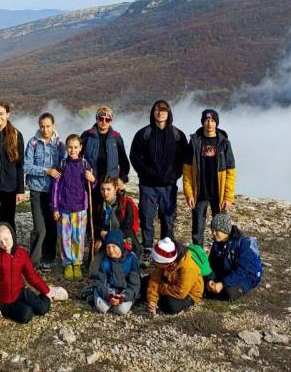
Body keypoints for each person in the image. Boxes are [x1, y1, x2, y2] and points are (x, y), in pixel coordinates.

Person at [130, 100, 188, 268]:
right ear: (153, 112)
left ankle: (166, 251)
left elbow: (184, 158)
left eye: (164, 110)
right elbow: (134, 156)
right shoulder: (144, 134)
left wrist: (175, 175)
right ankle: (147, 250)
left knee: (167, 218)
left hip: (168, 186)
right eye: (157, 110)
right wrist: (144, 172)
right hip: (148, 185)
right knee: (146, 217)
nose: (160, 113)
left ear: (168, 113)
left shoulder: (177, 135)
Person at [183, 108, 236, 247]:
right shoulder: (195, 142)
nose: (209, 123)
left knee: (221, 229)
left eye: (212, 120)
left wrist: (228, 197)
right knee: (197, 229)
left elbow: (230, 172)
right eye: (207, 120)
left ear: (216, 123)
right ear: (202, 122)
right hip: (199, 194)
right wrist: (189, 194)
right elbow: (187, 170)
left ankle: (220, 254)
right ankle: (198, 256)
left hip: (218, 195)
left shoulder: (224, 143)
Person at [0, 222, 52, 323]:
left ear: (12, 235)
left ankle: (43, 296)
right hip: (3, 300)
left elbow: (31, 275)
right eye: (0, 242)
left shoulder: (21, 254)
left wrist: (46, 290)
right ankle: (22, 306)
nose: (4, 244)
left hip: (20, 292)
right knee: (26, 315)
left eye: (6, 239)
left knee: (43, 308)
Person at [23, 112, 66, 270]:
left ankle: (49, 257)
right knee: (39, 227)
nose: (45, 129)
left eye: (48, 126)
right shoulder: (33, 143)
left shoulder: (60, 145)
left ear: (53, 125)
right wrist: (46, 171)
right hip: (36, 189)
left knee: (52, 224)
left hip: (53, 191)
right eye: (42, 126)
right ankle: (34, 260)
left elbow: (64, 165)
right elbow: (27, 166)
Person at [51, 134, 95, 280]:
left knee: (78, 237)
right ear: (66, 148)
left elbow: (91, 187)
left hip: (80, 208)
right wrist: (55, 207)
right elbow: (56, 187)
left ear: (81, 148)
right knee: (65, 237)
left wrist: (93, 180)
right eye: (70, 147)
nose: (73, 150)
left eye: (76, 147)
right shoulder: (62, 165)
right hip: (64, 208)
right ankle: (68, 263)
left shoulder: (85, 165)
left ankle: (77, 262)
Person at [205, 213, 262, 301]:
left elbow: (242, 270)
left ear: (225, 230)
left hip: (247, 275)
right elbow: (212, 265)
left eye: (216, 231)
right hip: (229, 271)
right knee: (205, 283)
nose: (213, 233)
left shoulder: (244, 244)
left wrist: (222, 284)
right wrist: (211, 279)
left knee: (229, 292)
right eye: (212, 230)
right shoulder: (217, 243)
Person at [0, 101, 25, 234]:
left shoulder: (16, 135)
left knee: (8, 221)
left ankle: (10, 246)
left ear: (8, 114)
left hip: (10, 186)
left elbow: (20, 164)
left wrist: (20, 190)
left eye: (1, 114)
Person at [145, 236, 204, 316]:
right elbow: (154, 279)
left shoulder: (188, 267)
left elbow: (181, 292)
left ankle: (159, 299)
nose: (154, 264)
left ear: (168, 263)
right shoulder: (162, 261)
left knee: (171, 306)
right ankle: (156, 299)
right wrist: (152, 300)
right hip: (169, 283)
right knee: (145, 282)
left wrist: (159, 288)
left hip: (189, 293)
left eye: (157, 263)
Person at [90, 229, 140, 315]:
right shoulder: (105, 261)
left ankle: (128, 300)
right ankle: (95, 294)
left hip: (125, 291)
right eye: (108, 247)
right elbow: (100, 281)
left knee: (121, 310)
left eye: (114, 246)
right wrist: (109, 296)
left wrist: (123, 297)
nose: (111, 250)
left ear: (120, 246)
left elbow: (134, 284)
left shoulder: (131, 259)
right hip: (110, 290)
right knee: (102, 307)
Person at [81, 105, 130, 192]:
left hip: (110, 185)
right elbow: (78, 157)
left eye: (107, 120)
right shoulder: (87, 135)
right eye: (101, 119)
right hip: (90, 182)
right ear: (96, 119)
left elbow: (124, 162)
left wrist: (121, 179)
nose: (104, 122)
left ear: (110, 121)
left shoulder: (116, 137)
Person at [93, 177, 141, 258]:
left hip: (123, 238)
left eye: (108, 189)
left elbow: (127, 228)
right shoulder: (98, 204)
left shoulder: (126, 203)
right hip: (104, 238)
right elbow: (92, 225)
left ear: (115, 188)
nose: (105, 193)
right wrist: (99, 235)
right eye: (102, 189)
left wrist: (110, 236)